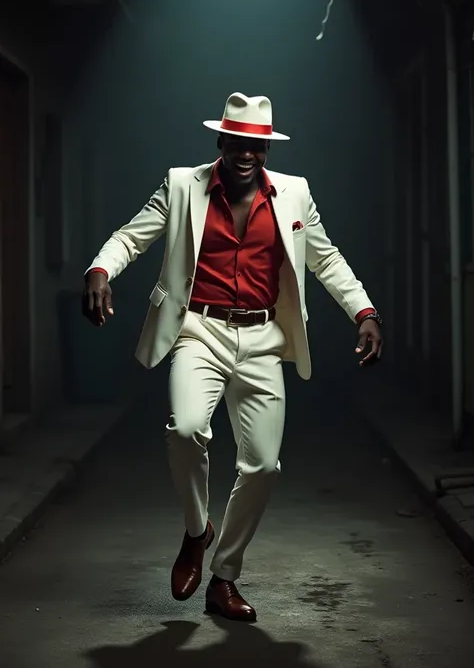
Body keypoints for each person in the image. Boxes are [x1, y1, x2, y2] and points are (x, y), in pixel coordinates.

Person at [82, 92, 383, 623]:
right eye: (238, 141)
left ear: (266, 148)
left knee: (263, 464)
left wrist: (364, 311)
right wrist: (101, 271)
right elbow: (132, 237)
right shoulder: (182, 185)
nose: (247, 153)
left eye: (257, 145)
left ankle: (224, 577)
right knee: (184, 429)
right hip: (198, 328)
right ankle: (198, 532)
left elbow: (326, 257)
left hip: (264, 338)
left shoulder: (294, 195)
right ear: (221, 140)